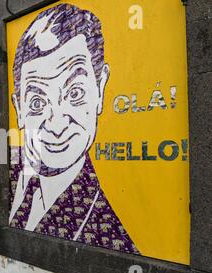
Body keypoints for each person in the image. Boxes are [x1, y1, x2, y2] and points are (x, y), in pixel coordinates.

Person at [9, 3, 139, 254]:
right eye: (37, 103)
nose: (57, 124)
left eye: (75, 93)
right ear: (19, 109)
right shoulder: (8, 163)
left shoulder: (106, 235)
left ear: (100, 88)